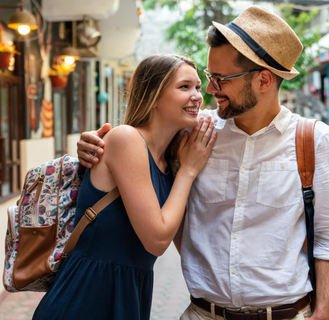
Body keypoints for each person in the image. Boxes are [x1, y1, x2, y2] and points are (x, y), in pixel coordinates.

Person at [77, 6, 329, 320]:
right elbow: (137, 147)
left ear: (263, 80)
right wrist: (91, 145)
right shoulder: (194, 131)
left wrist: (323, 314)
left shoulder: (314, 140)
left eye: (220, 79)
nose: (209, 90)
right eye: (209, 78)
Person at [33, 54, 217, 320]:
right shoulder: (126, 139)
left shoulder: (169, 158)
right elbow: (157, 240)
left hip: (129, 293)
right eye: (184, 87)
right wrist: (188, 172)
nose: (197, 96)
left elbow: (182, 238)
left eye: (198, 87)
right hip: (86, 295)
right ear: (153, 96)